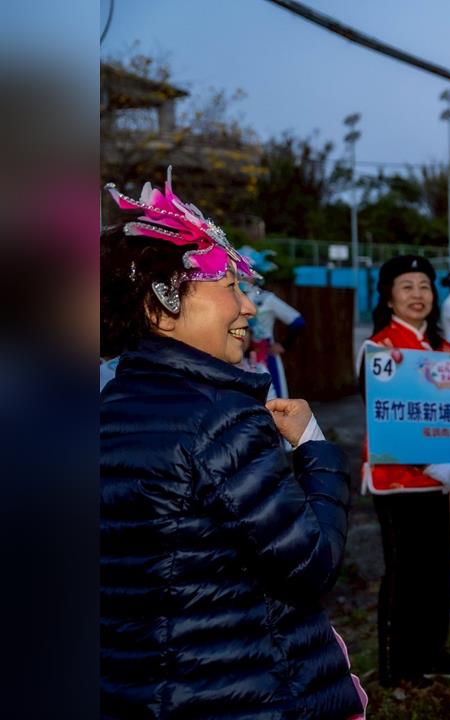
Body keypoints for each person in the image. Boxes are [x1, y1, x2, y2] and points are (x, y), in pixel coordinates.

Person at [99, 172, 365, 719]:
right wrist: (315, 449)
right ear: (159, 307)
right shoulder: (221, 421)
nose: (248, 307)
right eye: (231, 289)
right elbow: (311, 562)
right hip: (243, 693)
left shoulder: (103, 411)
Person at [362, 255, 450, 685]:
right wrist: (432, 463)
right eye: (406, 286)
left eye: (424, 286)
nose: (417, 295)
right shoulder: (379, 348)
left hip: (442, 480)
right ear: (389, 298)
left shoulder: (445, 350)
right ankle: (395, 663)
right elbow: (383, 417)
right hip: (398, 481)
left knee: (435, 570)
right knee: (404, 573)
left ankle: (432, 651)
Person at [238, 245, 304, 398]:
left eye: (248, 269)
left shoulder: (266, 299)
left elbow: (298, 321)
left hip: (265, 357)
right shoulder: (231, 296)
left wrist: (284, 345)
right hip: (238, 356)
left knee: (274, 402)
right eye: (240, 268)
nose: (242, 274)